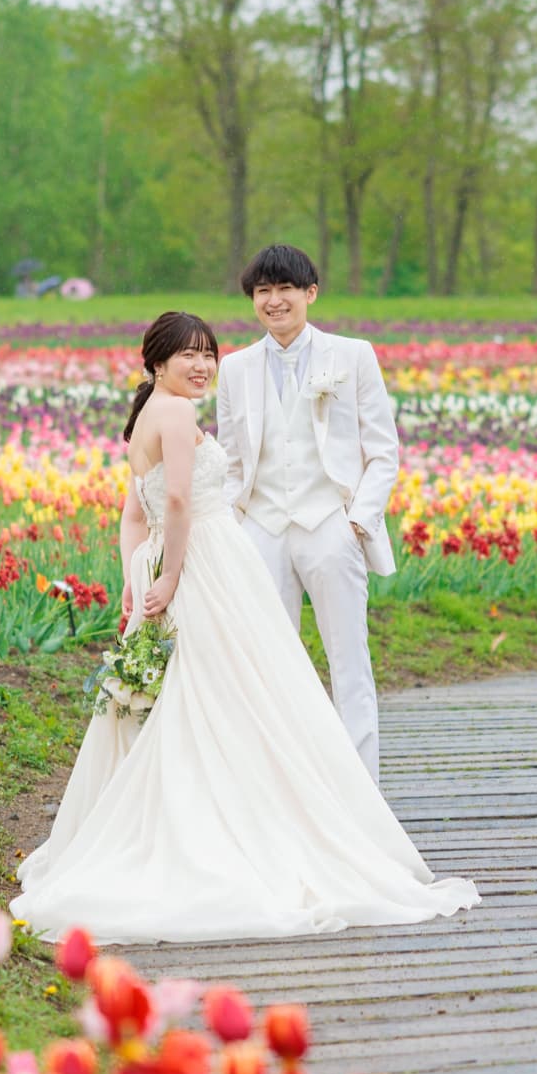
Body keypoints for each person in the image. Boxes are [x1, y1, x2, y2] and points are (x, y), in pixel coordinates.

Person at [8, 311, 477, 944]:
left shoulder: (146, 415)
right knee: (233, 694)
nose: (202, 366)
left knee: (202, 696)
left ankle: (200, 815)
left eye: (208, 354)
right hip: (201, 565)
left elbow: (131, 514)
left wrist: (135, 575)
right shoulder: (173, 414)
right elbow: (172, 502)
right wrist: (170, 577)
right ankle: (231, 827)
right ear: (156, 362)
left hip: (175, 563)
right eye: (187, 356)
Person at [214, 245, 397, 781]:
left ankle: (362, 794)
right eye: (262, 292)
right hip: (262, 528)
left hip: (330, 526)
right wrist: (231, 530)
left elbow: (382, 451)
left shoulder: (353, 355)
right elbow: (231, 461)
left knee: (350, 664)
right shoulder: (235, 368)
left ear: (310, 293)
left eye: (284, 289)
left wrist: (357, 522)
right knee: (267, 669)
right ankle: (281, 792)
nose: (274, 301)